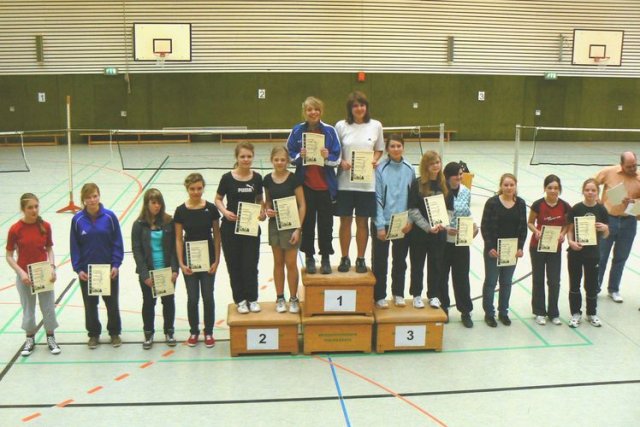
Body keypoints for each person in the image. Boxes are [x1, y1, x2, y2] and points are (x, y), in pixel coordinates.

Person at [287, 96, 341, 274]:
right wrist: (299, 156)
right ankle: (309, 257)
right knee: (307, 224)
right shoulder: (297, 131)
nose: (313, 112)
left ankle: (325, 258)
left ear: (321, 111)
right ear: (305, 112)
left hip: (326, 188)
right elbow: (290, 155)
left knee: (326, 226)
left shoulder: (330, 131)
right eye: (309, 109)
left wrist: (327, 157)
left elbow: (337, 158)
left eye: (316, 109)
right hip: (305, 187)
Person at [335, 91, 385, 273]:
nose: (359, 109)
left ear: (366, 107)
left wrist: (375, 160)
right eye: (355, 106)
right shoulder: (341, 126)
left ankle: (361, 259)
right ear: (350, 108)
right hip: (344, 183)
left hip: (366, 185)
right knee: (345, 222)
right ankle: (344, 258)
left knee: (362, 223)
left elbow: (379, 149)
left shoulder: (376, 126)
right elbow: (334, 151)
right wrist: (341, 161)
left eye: (362, 105)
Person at [5, 193, 60, 356]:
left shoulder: (45, 226)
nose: (34, 210)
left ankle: (50, 337)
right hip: (25, 277)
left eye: (36, 206)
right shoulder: (15, 229)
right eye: (30, 207)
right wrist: (21, 273)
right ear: (23, 209)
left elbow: (49, 249)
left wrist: (52, 267)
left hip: (43, 274)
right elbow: (9, 256)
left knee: (48, 307)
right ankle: (30, 338)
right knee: (28, 309)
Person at [70, 183, 124, 348]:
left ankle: (114, 333)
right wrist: (78, 269)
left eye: (95, 196)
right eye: (88, 197)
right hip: (88, 273)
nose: (92, 200)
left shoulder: (110, 217)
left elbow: (117, 242)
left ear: (99, 196)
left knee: (112, 304)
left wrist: (116, 265)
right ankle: (93, 334)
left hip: (108, 270)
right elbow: (74, 246)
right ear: (83, 200)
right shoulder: (77, 220)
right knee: (90, 305)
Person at [215, 142, 266, 314]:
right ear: (236, 158)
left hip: (250, 228)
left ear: (253, 157)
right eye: (242, 156)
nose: (246, 159)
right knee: (234, 265)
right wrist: (225, 212)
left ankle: (252, 298)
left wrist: (261, 212)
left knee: (250, 265)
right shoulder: (227, 178)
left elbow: (259, 200)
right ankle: (240, 300)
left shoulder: (257, 178)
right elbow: (218, 199)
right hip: (230, 229)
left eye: (249, 156)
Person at [175, 174, 221, 348]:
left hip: (208, 259)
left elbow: (217, 236)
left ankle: (208, 332)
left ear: (203, 188)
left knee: (208, 297)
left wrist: (217, 261)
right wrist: (181, 263)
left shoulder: (211, 209)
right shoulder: (180, 211)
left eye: (199, 188)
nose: (196, 192)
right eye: (192, 189)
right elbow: (178, 239)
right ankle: (193, 331)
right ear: (187, 189)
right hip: (190, 261)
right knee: (193, 298)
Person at [132, 188, 179, 349]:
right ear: (147, 204)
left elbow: (174, 248)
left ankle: (169, 331)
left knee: (168, 302)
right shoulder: (138, 225)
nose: (157, 206)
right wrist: (145, 274)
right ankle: (148, 333)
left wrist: (174, 269)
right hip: (148, 272)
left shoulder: (168, 222)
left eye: (159, 203)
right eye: (153, 203)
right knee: (148, 303)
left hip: (166, 271)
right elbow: (137, 250)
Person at [371, 134, 414, 308]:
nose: (396, 149)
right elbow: (377, 198)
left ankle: (398, 293)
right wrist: (380, 225)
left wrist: (410, 221)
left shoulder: (409, 169)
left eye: (399, 146)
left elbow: (413, 198)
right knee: (380, 261)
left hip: (402, 224)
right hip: (383, 222)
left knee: (400, 261)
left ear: (403, 147)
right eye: (392, 146)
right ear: (387, 149)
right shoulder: (380, 169)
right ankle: (379, 295)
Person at [481, 173, 527, 327]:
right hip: (494, 251)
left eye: (511, 185)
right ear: (501, 186)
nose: (509, 188)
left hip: (511, 251)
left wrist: (520, 247)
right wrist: (490, 247)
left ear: (515, 186)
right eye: (506, 185)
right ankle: (489, 313)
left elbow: (523, 228)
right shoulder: (492, 203)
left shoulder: (520, 203)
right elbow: (485, 226)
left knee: (506, 282)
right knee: (491, 282)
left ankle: (503, 312)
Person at [264, 146, 306, 313]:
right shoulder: (267, 179)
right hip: (275, 225)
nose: (280, 162)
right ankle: (280, 297)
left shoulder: (294, 179)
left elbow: (302, 205)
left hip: (291, 227)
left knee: (291, 263)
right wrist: (268, 210)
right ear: (272, 161)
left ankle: (293, 298)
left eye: (283, 160)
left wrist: (298, 229)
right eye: (276, 160)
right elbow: (268, 201)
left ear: (287, 161)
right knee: (278, 263)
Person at [594, 151, 640, 303]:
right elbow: (592, 183)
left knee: (621, 257)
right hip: (608, 220)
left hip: (629, 222)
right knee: (601, 256)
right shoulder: (609, 172)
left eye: (634, 165)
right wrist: (597, 201)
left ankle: (613, 289)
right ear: (621, 165)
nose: (632, 169)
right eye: (629, 166)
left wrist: (634, 202)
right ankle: (595, 288)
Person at [527, 175, 571, 326]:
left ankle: (553, 313)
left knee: (554, 281)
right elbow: (530, 222)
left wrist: (563, 234)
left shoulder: (565, 206)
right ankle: (539, 312)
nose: (553, 190)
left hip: (555, 248)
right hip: (537, 247)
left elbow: (567, 225)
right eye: (550, 187)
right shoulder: (538, 204)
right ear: (545, 188)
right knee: (538, 279)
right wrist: (536, 231)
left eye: (556, 188)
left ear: (560, 189)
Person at [566, 178, 609, 328]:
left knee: (591, 284)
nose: (590, 193)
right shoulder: (576, 208)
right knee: (574, 283)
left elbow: (606, 235)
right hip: (576, 253)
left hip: (593, 254)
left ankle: (591, 313)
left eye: (593, 190)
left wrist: (605, 228)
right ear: (583, 191)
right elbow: (570, 230)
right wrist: (571, 242)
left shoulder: (602, 210)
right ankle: (575, 314)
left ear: (598, 192)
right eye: (587, 190)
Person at [407, 151, 447, 309]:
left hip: (439, 234)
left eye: (437, 162)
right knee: (417, 264)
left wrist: (442, 224)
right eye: (432, 163)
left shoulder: (444, 184)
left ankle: (434, 295)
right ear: (425, 166)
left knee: (436, 265)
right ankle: (416, 295)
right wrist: (427, 227)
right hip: (420, 234)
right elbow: (412, 209)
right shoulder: (418, 184)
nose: (435, 166)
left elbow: (450, 208)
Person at [441, 162, 478, 327]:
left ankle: (465, 311)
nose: (460, 177)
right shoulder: (441, 192)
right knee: (442, 277)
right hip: (443, 242)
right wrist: (445, 228)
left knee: (462, 277)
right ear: (448, 177)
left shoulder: (466, 192)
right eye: (456, 175)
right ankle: (443, 308)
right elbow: (434, 216)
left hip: (461, 243)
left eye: (461, 174)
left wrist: (474, 227)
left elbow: (467, 213)